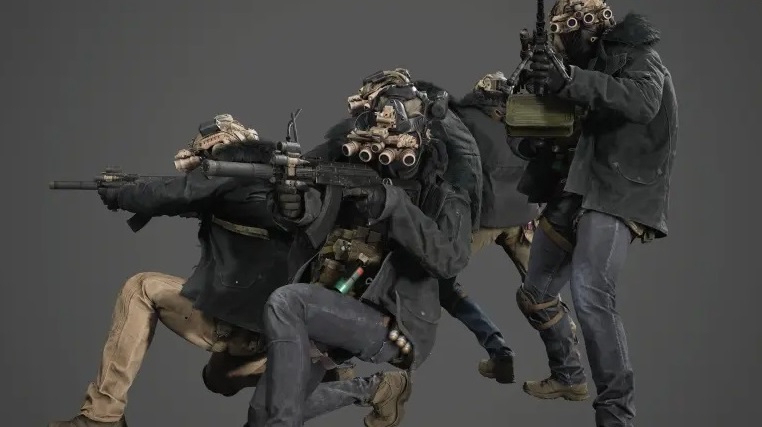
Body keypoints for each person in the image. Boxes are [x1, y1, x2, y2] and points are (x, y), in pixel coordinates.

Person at [48, 115, 397, 427]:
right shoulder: (260, 189)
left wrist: (121, 195)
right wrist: (136, 189)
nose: (202, 165)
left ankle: (102, 416)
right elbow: (187, 200)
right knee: (220, 379)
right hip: (280, 330)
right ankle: (344, 380)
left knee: (140, 288)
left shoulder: (232, 174)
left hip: (249, 324)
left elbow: (174, 195)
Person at [247, 68, 479, 427]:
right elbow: (318, 205)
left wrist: (393, 206)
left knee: (286, 303)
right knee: (261, 415)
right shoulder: (353, 167)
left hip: (391, 322)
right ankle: (375, 389)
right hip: (330, 299)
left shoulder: (446, 197)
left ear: (421, 137)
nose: (384, 154)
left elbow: (450, 260)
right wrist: (295, 206)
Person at [516, 1, 678, 426]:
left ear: (585, 28)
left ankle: (615, 413)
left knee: (590, 292)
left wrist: (568, 79)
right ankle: (569, 376)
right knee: (534, 293)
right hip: (577, 187)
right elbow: (541, 129)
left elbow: (642, 102)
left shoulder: (639, 58)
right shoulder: (587, 67)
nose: (558, 42)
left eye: (563, 33)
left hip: (618, 191)